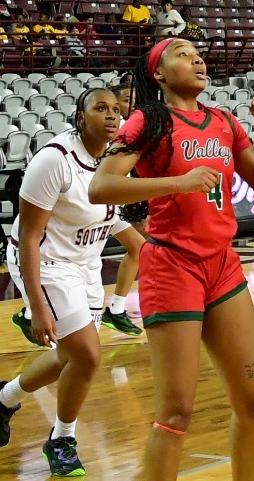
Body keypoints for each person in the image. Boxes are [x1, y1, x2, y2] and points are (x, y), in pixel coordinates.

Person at [88, 38, 254, 481]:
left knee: (253, 402)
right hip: (173, 266)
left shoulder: (224, 121)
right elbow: (100, 188)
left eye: (198, 53)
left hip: (222, 265)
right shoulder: (148, 120)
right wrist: (179, 182)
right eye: (182, 53)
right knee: (175, 414)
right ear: (158, 73)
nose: (196, 58)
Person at [0, 88, 146, 476]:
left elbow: (106, 213)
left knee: (71, 356)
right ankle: (62, 439)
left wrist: (144, 247)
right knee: (87, 355)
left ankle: (3, 397)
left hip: (85, 263)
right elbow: (29, 237)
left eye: (116, 109)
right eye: (100, 108)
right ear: (80, 116)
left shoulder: (113, 159)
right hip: (45, 260)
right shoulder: (54, 159)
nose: (111, 115)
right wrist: (36, 307)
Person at [101, 78, 145, 336]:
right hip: (95, 199)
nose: (133, 105)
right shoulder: (110, 130)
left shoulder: (132, 128)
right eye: (127, 101)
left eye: (135, 101)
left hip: (116, 200)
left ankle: (116, 309)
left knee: (140, 248)